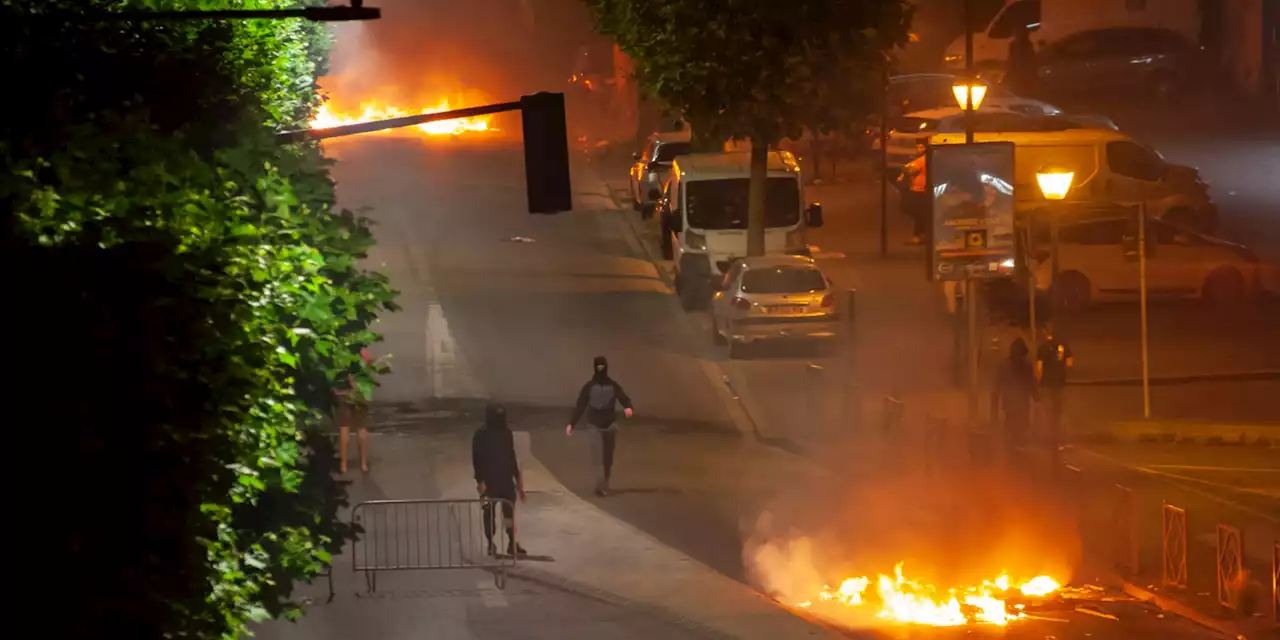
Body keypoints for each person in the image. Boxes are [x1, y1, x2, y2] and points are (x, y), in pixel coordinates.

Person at [565, 356, 633, 497]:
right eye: (598, 366)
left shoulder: (613, 385)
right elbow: (581, 406)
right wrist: (572, 423)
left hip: (610, 425)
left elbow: (623, 398)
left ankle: (604, 483)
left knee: (608, 457)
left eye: (603, 366)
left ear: (606, 367)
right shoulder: (589, 387)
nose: (601, 369)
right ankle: (600, 485)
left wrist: (628, 407)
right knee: (597, 456)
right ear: (595, 367)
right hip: (593, 425)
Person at [472, 402, 527, 556]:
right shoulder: (480, 435)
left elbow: (511, 456)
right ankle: (490, 544)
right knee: (489, 514)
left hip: (506, 481)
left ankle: (511, 542)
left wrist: (518, 479)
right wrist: (480, 480)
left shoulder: (506, 433)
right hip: (489, 483)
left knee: (509, 514)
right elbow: (476, 460)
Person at [991, 338, 1039, 459]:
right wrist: (994, 415)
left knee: (1021, 435)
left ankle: (1018, 458)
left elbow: (1031, 383)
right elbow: (996, 390)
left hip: (1022, 406)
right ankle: (1012, 458)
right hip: (1011, 407)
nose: (1022, 358)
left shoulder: (1025, 366)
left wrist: (1038, 398)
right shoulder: (1005, 367)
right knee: (1012, 436)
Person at [1036, 322, 1073, 455]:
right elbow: (1069, 363)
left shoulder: (1042, 348)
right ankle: (1060, 441)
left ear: (1046, 333)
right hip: (1060, 384)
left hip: (1047, 384)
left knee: (1048, 414)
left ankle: (1051, 442)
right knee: (1059, 413)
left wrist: (1039, 381)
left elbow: (1039, 367)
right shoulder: (1064, 345)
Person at [335, 348, 373, 474]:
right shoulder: (362, 351)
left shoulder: (340, 350)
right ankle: (363, 464)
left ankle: (343, 464)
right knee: (361, 428)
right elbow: (369, 366)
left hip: (343, 393)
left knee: (344, 428)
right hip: (360, 393)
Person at [900, 143, 929, 245]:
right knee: (924, 214)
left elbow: (910, 171)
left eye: (921, 147)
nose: (918, 149)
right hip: (925, 190)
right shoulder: (929, 159)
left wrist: (906, 168)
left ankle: (918, 236)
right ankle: (924, 235)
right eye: (917, 147)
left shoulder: (921, 160)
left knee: (919, 215)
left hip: (920, 191)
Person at [1005, 24, 1039, 96]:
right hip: (1018, 72)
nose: (1016, 34)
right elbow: (1011, 59)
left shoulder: (1027, 45)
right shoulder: (1014, 45)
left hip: (1023, 73)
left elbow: (1030, 60)